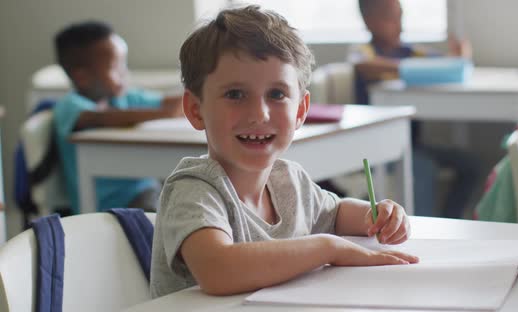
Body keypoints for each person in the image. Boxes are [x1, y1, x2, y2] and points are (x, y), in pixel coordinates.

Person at [150, 5, 418, 298]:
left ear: (301, 110)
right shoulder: (194, 190)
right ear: (195, 109)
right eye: (235, 94)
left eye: (277, 94)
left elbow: (337, 213)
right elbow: (218, 271)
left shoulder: (289, 180)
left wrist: (378, 214)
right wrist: (327, 247)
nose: (259, 113)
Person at [350, 0, 481, 218]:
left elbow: (451, 65)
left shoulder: (410, 52)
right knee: (421, 168)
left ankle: (449, 220)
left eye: (400, 16)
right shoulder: (365, 53)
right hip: (382, 149)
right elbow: (363, 65)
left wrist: (461, 55)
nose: (400, 24)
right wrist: (411, 69)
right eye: (390, 18)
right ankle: (423, 231)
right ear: (369, 21)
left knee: (471, 165)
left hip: (414, 145)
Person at [53, 21, 183, 214]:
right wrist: (165, 114)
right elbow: (99, 118)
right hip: (106, 208)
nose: (125, 74)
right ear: (82, 77)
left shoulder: (124, 98)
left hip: (146, 191)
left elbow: (174, 104)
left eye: (125, 65)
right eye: (116, 67)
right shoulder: (70, 106)